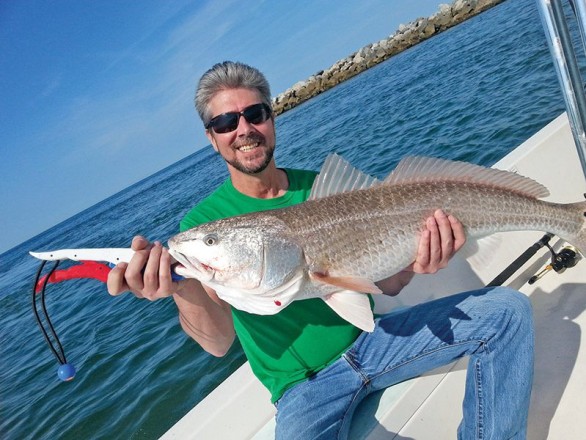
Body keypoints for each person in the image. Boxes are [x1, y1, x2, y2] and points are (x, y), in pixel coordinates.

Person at [107, 61, 534, 439]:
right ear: (212, 137)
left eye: (254, 114)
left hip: (375, 341)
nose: (243, 130)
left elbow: (381, 281)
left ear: (271, 118)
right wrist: (181, 288)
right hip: (304, 386)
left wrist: (419, 264)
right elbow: (219, 342)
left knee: (507, 312)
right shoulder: (202, 225)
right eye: (226, 123)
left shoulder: (323, 189)